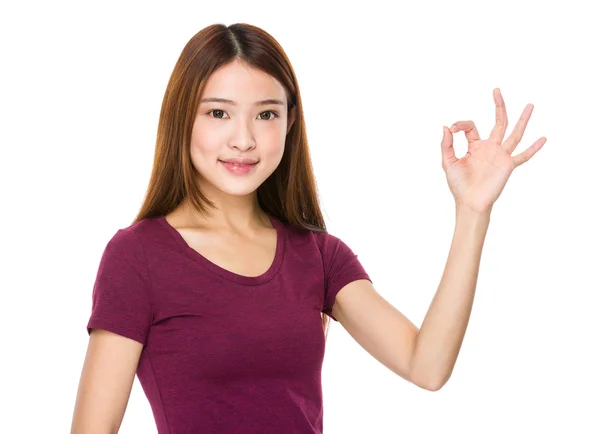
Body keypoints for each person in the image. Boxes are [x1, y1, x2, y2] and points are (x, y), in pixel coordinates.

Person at [70, 22, 546, 434]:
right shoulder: (139, 257)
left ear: (290, 122)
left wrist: (473, 211)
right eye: (218, 113)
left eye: (266, 114)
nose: (244, 139)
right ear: (183, 120)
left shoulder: (317, 255)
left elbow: (427, 365)